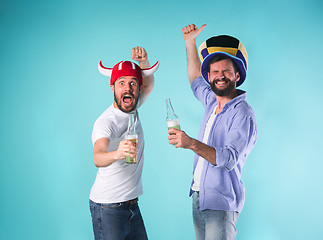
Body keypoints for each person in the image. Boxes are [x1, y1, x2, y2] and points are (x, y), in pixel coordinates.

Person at [168, 24, 258, 240]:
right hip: (199, 197)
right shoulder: (211, 102)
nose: (220, 76)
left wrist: (190, 143)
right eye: (215, 72)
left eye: (226, 71)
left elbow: (228, 159)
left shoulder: (242, 113)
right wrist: (190, 43)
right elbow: (195, 80)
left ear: (237, 75)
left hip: (221, 202)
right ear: (209, 76)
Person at [89, 46, 159, 240]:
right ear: (112, 87)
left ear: (138, 88)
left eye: (132, 84)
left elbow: (150, 85)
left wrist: (144, 62)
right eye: (121, 83)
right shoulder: (106, 122)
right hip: (108, 207)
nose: (127, 88)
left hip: (132, 205)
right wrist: (118, 153)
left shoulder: (132, 106)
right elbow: (98, 157)